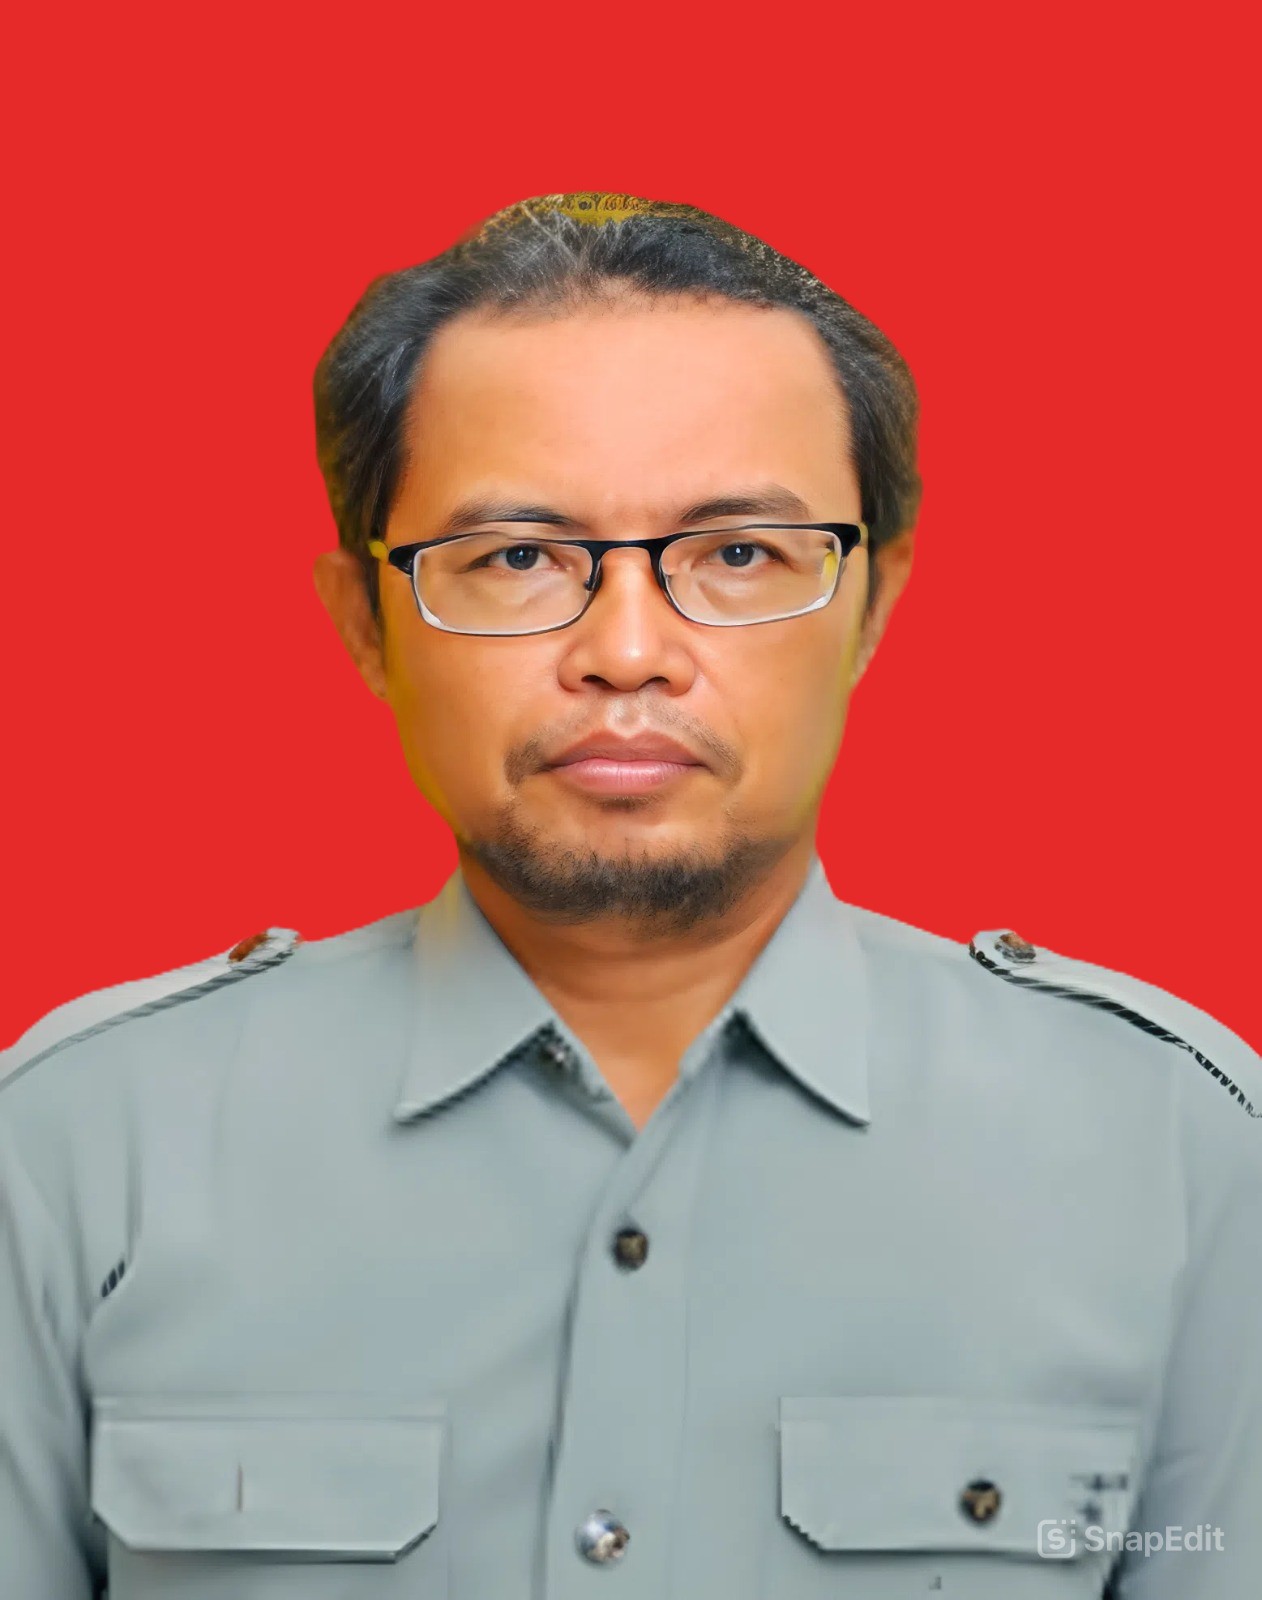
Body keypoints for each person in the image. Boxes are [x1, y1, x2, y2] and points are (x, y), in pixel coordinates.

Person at [1, 190, 1258, 1600]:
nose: (627, 650)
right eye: (516, 557)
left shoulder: (1176, 1151)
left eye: (739, 555)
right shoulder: (75, 1150)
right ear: (366, 623)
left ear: (872, 606)